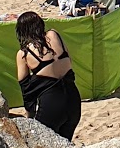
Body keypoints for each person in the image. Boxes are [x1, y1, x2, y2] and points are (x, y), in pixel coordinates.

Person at [15, 11, 81, 140]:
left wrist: (29, 113)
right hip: (73, 98)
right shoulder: (55, 35)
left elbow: (26, 88)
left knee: (43, 145)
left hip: (52, 103)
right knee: (65, 145)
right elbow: (69, 62)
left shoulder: (24, 53)